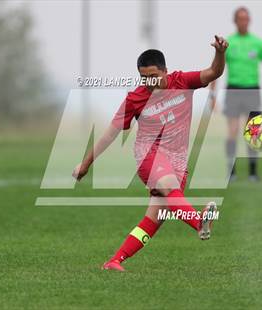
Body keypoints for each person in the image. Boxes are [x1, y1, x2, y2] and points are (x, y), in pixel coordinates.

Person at [72, 35, 228, 271]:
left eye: (154, 76)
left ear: (165, 71)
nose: (149, 82)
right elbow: (109, 134)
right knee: (169, 187)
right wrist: (86, 164)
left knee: (153, 220)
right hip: (149, 155)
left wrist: (220, 52)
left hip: (178, 161)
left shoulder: (182, 81)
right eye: (144, 77)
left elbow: (213, 73)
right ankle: (199, 223)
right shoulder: (135, 98)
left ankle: (114, 261)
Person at [210, 6, 262, 182]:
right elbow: (216, 68)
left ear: (249, 21)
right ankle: (231, 171)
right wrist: (213, 96)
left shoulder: (258, 43)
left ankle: (253, 172)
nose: (243, 21)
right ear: (235, 21)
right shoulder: (228, 42)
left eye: (246, 18)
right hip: (233, 90)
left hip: (252, 91)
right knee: (232, 131)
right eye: (240, 18)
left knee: (253, 133)